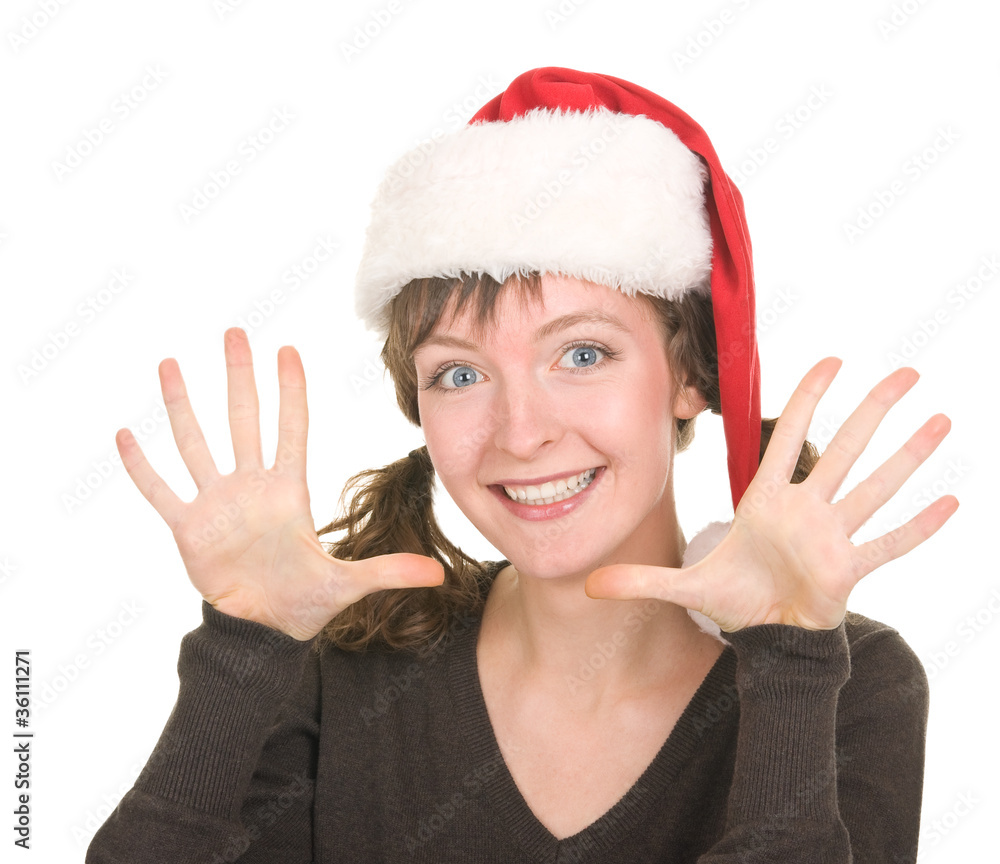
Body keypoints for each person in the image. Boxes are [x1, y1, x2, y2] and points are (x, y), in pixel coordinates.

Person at [86, 67, 956, 863]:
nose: (520, 433)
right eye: (459, 374)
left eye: (581, 354)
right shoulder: (341, 669)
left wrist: (790, 660)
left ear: (691, 375)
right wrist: (244, 650)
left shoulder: (850, 686)